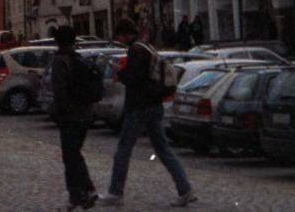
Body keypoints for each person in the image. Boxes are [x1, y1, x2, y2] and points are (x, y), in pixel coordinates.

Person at [98, 19, 195, 207]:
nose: (119, 39)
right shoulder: (148, 47)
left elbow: (135, 79)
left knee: (123, 150)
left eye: (119, 35)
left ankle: (115, 192)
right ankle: (185, 189)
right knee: (163, 148)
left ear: (125, 33)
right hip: (154, 104)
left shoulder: (135, 49)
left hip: (139, 106)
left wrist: (120, 71)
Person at [48, 26, 98, 211]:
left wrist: (58, 113)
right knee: (75, 154)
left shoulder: (60, 61)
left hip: (69, 115)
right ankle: (84, 193)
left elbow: (60, 91)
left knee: (70, 157)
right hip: (85, 114)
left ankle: (78, 195)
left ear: (57, 41)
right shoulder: (79, 59)